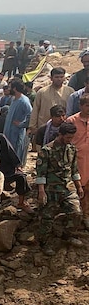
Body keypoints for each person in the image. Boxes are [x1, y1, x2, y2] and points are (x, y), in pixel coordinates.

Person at [36, 121, 84, 255]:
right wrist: (41, 192)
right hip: (50, 190)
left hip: (67, 188)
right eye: (68, 137)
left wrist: (78, 186)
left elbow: (74, 170)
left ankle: (68, 235)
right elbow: (41, 173)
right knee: (47, 218)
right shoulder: (47, 150)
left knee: (76, 212)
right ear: (60, 134)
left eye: (72, 137)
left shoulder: (72, 149)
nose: (70, 140)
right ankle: (44, 243)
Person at [66, 95, 89, 228]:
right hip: (76, 162)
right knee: (77, 189)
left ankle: (86, 215)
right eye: (87, 105)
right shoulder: (72, 120)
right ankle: (74, 219)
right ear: (81, 106)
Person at [4, 79, 32, 166]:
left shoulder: (24, 101)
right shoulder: (13, 99)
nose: (9, 89)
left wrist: (21, 124)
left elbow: (31, 114)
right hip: (8, 131)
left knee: (16, 153)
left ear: (15, 88)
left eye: (10, 87)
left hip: (16, 133)